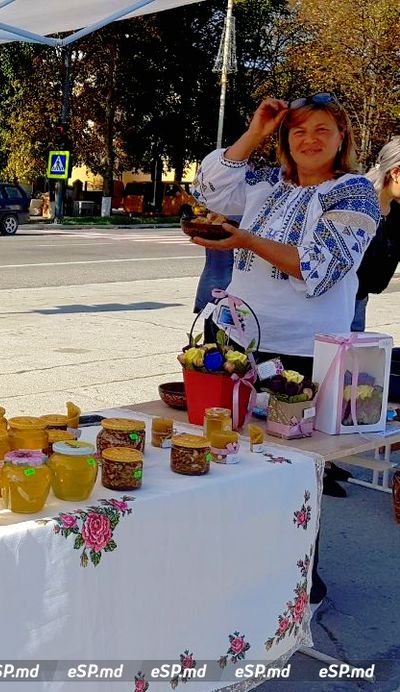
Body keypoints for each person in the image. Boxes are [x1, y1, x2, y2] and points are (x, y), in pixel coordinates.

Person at [190, 93, 380, 609]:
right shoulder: (267, 186)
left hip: (302, 356)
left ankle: (301, 585)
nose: (309, 140)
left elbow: (320, 267)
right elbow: (210, 186)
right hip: (235, 343)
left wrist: (246, 241)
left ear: (342, 138)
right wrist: (255, 131)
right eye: (297, 132)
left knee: (294, 469)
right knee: (227, 458)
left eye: (322, 130)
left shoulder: (354, 193)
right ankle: (239, 568)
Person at [352, 136, 400, 331]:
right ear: (396, 173)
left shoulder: (396, 211)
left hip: (359, 300)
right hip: (335, 305)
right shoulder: (355, 204)